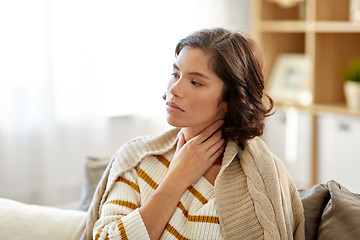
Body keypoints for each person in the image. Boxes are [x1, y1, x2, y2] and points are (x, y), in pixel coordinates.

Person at [72, 28, 305, 240]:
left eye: (195, 82)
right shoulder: (136, 158)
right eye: (175, 74)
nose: (174, 89)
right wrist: (176, 179)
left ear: (229, 100)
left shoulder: (263, 176)